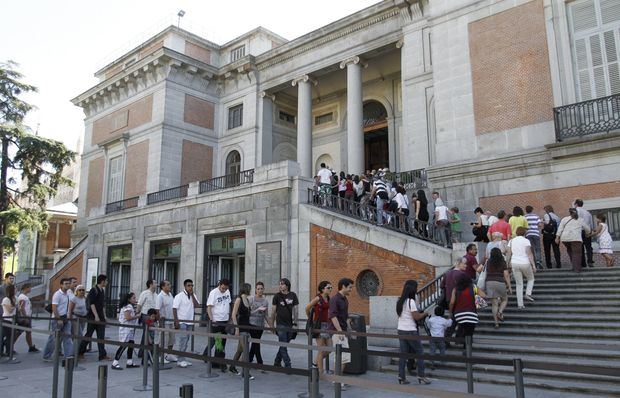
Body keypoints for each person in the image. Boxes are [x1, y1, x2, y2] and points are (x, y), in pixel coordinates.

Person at [395, 280, 430, 385]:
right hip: (410, 330)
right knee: (420, 352)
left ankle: (401, 376)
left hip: (401, 330)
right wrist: (425, 313)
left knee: (403, 354)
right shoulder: (411, 301)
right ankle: (421, 375)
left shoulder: (400, 301)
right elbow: (416, 316)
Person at [329, 278, 354, 389]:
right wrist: (340, 332)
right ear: (343, 286)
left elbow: (346, 317)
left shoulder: (345, 299)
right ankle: (337, 381)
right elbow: (333, 316)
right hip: (337, 332)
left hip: (342, 332)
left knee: (343, 357)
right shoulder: (335, 299)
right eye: (350, 287)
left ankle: (338, 380)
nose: (351, 289)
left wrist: (349, 330)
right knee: (341, 357)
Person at [79, 274, 110, 361]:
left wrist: (104, 316)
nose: (107, 282)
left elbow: (102, 305)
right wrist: (96, 316)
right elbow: (92, 304)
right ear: (102, 281)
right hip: (92, 316)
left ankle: (102, 355)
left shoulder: (102, 290)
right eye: (106, 281)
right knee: (89, 334)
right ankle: (80, 352)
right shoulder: (94, 290)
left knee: (101, 336)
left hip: (100, 316)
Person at [304, 281, 332, 374]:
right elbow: (307, 307)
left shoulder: (328, 298)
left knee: (330, 348)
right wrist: (310, 319)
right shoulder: (318, 298)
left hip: (327, 325)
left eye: (331, 287)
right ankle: (320, 371)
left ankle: (315, 363)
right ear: (322, 289)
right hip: (319, 325)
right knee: (321, 349)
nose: (330, 289)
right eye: (328, 287)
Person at [42, 278, 73, 362]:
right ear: (61, 285)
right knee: (53, 338)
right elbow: (54, 307)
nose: (68, 285)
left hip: (66, 317)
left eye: (68, 283)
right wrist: (58, 319)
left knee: (67, 337)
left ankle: (68, 356)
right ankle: (46, 355)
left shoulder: (68, 294)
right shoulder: (57, 294)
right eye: (66, 284)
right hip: (57, 318)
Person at [270, 278, 299, 368]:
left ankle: (277, 362)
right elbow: (273, 311)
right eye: (280, 284)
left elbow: (295, 310)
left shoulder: (293, 295)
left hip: (290, 324)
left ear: (287, 285)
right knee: (283, 343)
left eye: (282, 284)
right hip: (280, 324)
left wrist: (295, 323)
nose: (280, 285)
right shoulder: (277, 296)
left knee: (284, 344)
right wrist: (271, 325)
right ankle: (288, 364)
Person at [449, 273, 485, 342]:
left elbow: (452, 302)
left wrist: (450, 312)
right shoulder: (474, 287)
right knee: (469, 333)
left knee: (462, 327)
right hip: (472, 314)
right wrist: (475, 296)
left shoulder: (455, 289)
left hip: (459, 315)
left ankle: (460, 340)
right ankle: (466, 349)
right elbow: (483, 295)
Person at [229, 283, 255, 379]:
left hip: (247, 326)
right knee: (245, 350)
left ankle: (232, 366)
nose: (250, 290)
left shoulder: (247, 300)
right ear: (246, 289)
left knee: (240, 350)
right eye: (250, 288)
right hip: (241, 327)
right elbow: (233, 314)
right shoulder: (239, 299)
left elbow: (248, 314)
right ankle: (245, 372)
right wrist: (236, 328)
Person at [205, 279, 232, 371]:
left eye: (225, 288)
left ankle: (216, 361)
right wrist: (212, 319)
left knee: (223, 341)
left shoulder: (227, 291)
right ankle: (221, 363)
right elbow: (209, 307)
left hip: (225, 320)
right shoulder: (214, 293)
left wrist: (229, 318)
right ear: (219, 285)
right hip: (216, 321)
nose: (224, 290)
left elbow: (229, 304)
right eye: (222, 288)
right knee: (218, 342)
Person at [173, 279, 200, 368]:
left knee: (187, 340)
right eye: (188, 285)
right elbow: (174, 308)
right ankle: (180, 359)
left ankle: (182, 358)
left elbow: (197, 306)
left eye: (192, 285)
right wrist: (176, 321)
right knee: (183, 340)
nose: (190, 287)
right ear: (184, 286)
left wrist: (192, 295)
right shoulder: (179, 296)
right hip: (182, 321)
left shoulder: (193, 295)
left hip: (190, 322)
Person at [507, 227, 536, 309]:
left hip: (514, 263)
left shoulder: (511, 241)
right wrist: (533, 265)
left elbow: (509, 253)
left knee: (519, 284)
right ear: (524, 233)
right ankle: (528, 293)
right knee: (531, 279)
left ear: (516, 233)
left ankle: (520, 304)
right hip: (525, 262)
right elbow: (529, 254)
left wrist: (507, 263)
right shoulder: (526, 241)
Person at [556, 208, 591, 273]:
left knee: (571, 251)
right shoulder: (580, 219)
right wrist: (587, 234)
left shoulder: (564, 219)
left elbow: (560, 229)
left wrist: (557, 238)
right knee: (577, 253)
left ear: (569, 212)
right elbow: (587, 229)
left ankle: (574, 266)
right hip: (575, 238)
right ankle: (577, 269)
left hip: (565, 239)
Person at [112, 292, 141, 370]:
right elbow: (127, 317)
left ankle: (129, 361)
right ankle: (115, 362)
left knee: (131, 343)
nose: (135, 299)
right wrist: (136, 316)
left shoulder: (130, 306)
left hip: (130, 328)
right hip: (126, 329)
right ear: (129, 299)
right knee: (124, 345)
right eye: (133, 298)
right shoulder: (127, 306)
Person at [485, 248, 512, 328]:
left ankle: (496, 323)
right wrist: (509, 286)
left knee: (494, 304)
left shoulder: (488, 262)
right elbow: (506, 274)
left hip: (489, 282)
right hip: (500, 282)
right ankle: (500, 312)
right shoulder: (502, 262)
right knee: (504, 299)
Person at [248, 281, 270, 368]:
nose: (260, 290)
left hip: (260, 325)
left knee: (255, 343)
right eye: (258, 289)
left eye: (261, 289)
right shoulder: (251, 299)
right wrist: (257, 310)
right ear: (255, 290)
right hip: (252, 324)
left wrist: (270, 325)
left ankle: (249, 360)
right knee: (256, 342)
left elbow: (266, 315)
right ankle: (260, 363)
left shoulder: (265, 301)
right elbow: (248, 313)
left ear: (263, 289)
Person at [155, 280, 176, 363]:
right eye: (168, 284)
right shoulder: (160, 296)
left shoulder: (170, 294)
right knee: (164, 339)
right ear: (163, 287)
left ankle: (169, 354)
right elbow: (157, 309)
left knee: (172, 339)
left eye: (169, 284)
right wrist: (160, 322)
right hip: (164, 322)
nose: (170, 286)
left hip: (171, 321)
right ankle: (161, 356)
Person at [137, 279, 157, 360]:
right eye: (155, 283)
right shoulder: (144, 293)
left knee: (146, 334)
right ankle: (146, 352)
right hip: (145, 315)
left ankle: (142, 352)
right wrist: (137, 313)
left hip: (153, 316)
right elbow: (139, 304)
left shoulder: (156, 294)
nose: (156, 284)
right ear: (150, 284)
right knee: (148, 333)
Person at [17, 283, 40, 352]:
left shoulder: (25, 297)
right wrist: (25, 317)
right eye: (29, 288)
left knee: (28, 332)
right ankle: (9, 345)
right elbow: (21, 308)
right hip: (25, 317)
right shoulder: (22, 297)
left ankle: (31, 346)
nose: (30, 289)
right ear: (26, 288)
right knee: (18, 332)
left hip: (27, 316)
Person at [574, 199, 595, 268]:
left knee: (580, 248)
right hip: (587, 231)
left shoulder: (575, 211)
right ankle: (590, 261)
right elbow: (591, 224)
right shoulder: (587, 212)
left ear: (576, 204)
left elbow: (574, 222)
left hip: (579, 231)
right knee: (588, 247)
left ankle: (583, 263)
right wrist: (590, 230)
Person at [1, 284, 21, 356]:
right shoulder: (6, 299)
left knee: (11, 337)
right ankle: (7, 352)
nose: (16, 290)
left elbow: (18, 308)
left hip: (13, 320)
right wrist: (15, 305)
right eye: (15, 289)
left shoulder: (15, 298)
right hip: (7, 319)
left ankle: (8, 351)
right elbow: (9, 310)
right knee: (8, 336)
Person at [67, 284, 87, 353]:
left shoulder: (85, 298)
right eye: (80, 290)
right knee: (79, 335)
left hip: (83, 318)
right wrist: (69, 319)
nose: (81, 291)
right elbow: (70, 310)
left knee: (78, 335)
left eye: (83, 290)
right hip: (75, 318)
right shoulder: (74, 299)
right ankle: (74, 352)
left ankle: (77, 350)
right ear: (77, 291)